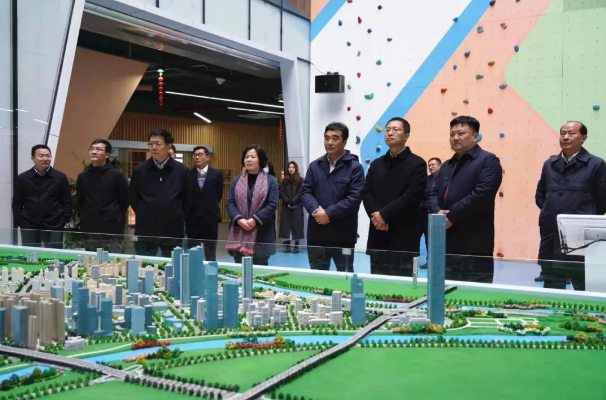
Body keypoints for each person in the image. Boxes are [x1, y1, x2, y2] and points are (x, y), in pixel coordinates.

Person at [428, 116, 502, 283]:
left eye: (461, 133)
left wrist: (452, 216)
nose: (455, 138)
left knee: (475, 292)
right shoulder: (446, 165)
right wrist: (437, 212)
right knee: (445, 288)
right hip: (445, 239)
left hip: (475, 240)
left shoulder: (488, 160)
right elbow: (433, 193)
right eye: (452, 134)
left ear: (475, 136)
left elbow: (483, 194)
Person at [535, 121, 606, 290]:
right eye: (562, 133)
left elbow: (603, 199)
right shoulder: (550, 164)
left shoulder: (596, 164)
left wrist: (586, 217)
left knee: (583, 287)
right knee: (552, 286)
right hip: (551, 232)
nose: (565, 137)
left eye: (571, 133)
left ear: (583, 138)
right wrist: (551, 211)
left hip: (582, 236)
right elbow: (540, 194)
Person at [362, 117, 427, 276]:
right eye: (387, 130)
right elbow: (366, 192)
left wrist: (383, 215)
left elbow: (412, 196)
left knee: (402, 285)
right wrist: (376, 217)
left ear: (406, 136)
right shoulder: (376, 164)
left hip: (403, 233)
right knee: (377, 283)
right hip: (378, 232)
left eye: (396, 129)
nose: (390, 133)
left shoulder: (417, 164)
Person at [302, 122, 364, 272]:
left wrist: (329, 214)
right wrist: (316, 210)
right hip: (317, 233)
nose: (329, 142)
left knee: (345, 277)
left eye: (335, 138)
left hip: (343, 235)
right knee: (317, 278)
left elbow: (354, 198)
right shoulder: (315, 166)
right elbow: (305, 191)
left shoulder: (355, 168)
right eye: (327, 138)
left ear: (344, 142)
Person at [129, 129, 192, 257]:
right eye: (151, 144)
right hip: (145, 228)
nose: (153, 147)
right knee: (144, 264)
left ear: (169, 147)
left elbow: (188, 198)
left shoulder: (182, 170)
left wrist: (177, 214)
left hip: (173, 228)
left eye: (158, 144)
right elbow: (133, 197)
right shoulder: (140, 170)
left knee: (172, 264)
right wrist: (144, 212)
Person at [226, 145, 279, 265]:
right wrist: (239, 219)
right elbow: (230, 203)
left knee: (259, 271)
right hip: (239, 232)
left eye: (253, 157)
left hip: (262, 233)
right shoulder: (236, 181)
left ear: (261, 159)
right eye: (246, 157)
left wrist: (255, 220)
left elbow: (272, 204)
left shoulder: (271, 181)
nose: (249, 160)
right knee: (239, 270)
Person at [12, 144, 72, 248]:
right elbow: (17, 202)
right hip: (29, 224)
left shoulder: (60, 177)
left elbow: (67, 200)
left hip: (55, 224)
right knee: (30, 254)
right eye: (41, 156)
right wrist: (21, 221)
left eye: (48, 156)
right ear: (33, 158)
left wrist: (63, 219)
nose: (45, 159)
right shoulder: (23, 178)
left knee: (54, 254)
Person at [76, 139, 129, 252]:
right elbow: (81, 201)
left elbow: (124, 201)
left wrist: (114, 216)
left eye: (98, 149)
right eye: (92, 149)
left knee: (113, 260)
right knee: (91, 260)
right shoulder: (83, 177)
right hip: (90, 228)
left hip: (112, 228)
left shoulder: (117, 175)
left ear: (107, 155)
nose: (94, 152)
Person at [186, 146, 224, 261]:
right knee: (193, 253)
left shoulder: (216, 174)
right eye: (195, 155)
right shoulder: (188, 174)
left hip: (210, 218)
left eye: (200, 155)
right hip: (193, 219)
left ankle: (210, 272)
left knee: (210, 253)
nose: (197, 157)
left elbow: (218, 195)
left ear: (207, 157)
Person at [419, 157, 442, 269]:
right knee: (427, 238)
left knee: (436, 240)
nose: (431, 167)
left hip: (438, 214)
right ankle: (429, 261)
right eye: (429, 165)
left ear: (440, 166)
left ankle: (438, 262)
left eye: (433, 164)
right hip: (424, 213)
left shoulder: (445, 179)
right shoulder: (426, 180)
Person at [279, 161, 305, 253]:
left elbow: (300, 192)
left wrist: (293, 201)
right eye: (289, 167)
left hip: (296, 206)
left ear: (296, 169)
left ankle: (296, 246)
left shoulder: (300, 180)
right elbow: (281, 192)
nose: (291, 169)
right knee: (286, 227)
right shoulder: (284, 181)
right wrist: (287, 201)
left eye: (293, 167)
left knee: (297, 226)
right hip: (286, 206)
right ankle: (287, 246)